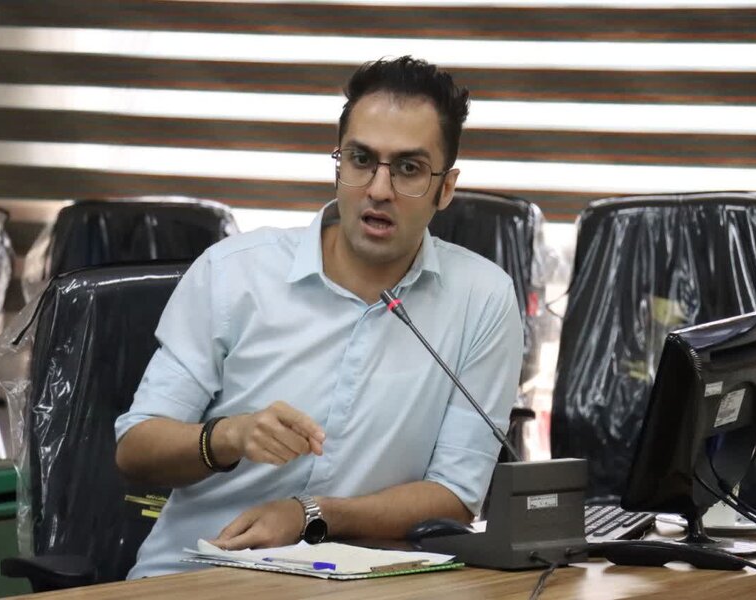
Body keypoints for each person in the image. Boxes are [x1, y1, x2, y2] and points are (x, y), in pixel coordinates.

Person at [114, 55, 523, 579]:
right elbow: (136, 448)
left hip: (361, 584)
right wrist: (228, 437)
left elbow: (455, 496)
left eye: (408, 169)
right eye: (361, 159)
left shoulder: (482, 299)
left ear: (445, 188)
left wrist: (312, 515)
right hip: (194, 576)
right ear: (338, 165)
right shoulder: (234, 273)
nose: (378, 189)